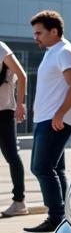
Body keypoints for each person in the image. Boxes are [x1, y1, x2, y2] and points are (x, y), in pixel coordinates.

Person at [25, 10, 71, 233]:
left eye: (39, 33)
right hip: (46, 118)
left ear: (54, 31)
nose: (35, 37)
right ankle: (65, 217)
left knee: (41, 167)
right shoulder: (53, 51)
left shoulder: (65, 52)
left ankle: (55, 217)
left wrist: (59, 114)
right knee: (55, 168)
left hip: (55, 120)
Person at [0, 40, 28, 218]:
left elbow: (22, 75)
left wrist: (20, 105)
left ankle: (19, 202)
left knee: (11, 155)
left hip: (3, 111)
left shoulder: (1, 48)